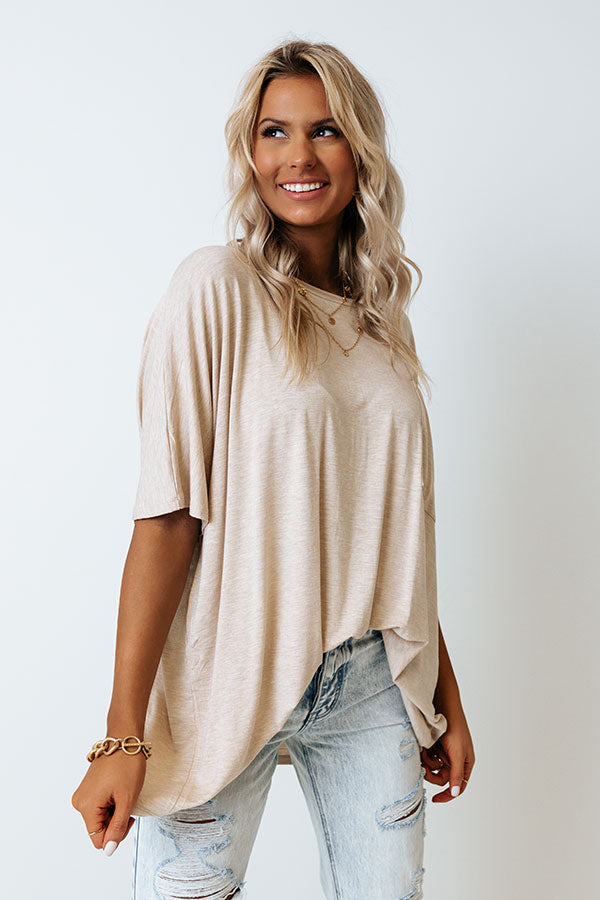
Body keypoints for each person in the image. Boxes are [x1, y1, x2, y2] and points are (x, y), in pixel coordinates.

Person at [71, 38, 475, 899]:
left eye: (325, 130)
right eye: (274, 131)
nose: (299, 156)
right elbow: (167, 518)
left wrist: (443, 691)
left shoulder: (380, 327)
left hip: (371, 681)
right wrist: (122, 735)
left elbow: (392, 536)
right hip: (227, 669)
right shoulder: (214, 289)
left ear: (360, 149)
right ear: (249, 152)